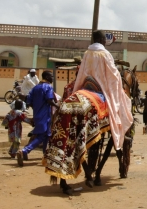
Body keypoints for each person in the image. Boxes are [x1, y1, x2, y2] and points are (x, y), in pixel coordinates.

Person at [44, 30, 133, 193]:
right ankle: (95, 169)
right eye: (104, 39)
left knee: (69, 136)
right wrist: (116, 91)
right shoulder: (105, 54)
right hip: (99, 92)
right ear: (100, 39)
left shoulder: (87, 53)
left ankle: (69, 177)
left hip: (84, 87)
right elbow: (113, 76)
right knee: (119, 110)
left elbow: (83, 73)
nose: (106, 42)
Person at [17, 71, 58, 166]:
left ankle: (46, 156)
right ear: (47, 77)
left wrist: (37, 107)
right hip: (45, 116)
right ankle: (25, 151)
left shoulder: (35, 88)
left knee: (47, 135)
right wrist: (58, 107)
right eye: (51, 76)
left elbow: (29, 102)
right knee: (42, 136)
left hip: (37, 115)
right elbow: (49, 100)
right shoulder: (48, 87)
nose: (52, 78)